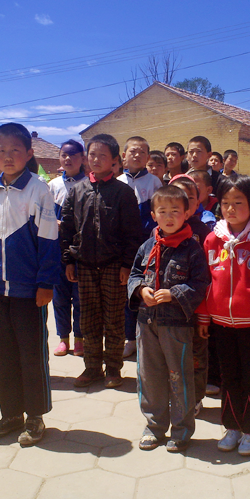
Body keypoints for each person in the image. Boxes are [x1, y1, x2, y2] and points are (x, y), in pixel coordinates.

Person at [0, 123, 62, 447]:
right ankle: (10, 414)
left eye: (15, 151)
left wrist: (46, 283)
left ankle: (35, 416)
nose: (8, 157)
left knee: (31, 356)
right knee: (2, 356)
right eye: (1, 151)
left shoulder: (39, 190)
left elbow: (49, 239)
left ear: (29, 153)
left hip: (28, 292)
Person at [197, 175, 250, 457]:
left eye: (238, 202)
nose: (231, 208)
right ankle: (231, 426)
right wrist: (203, 316)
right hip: (221, 322)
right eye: (225, 203)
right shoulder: (213, 239)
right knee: (228, 377)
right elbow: (205, 280)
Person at [128, 185, 211, 452]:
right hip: (146, 322)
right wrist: (141, 290)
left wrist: (175, 294)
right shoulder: (147, 246)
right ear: (153, 215)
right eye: (162, 211)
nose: (169, 216)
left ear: (186, 213)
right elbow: (134, 275)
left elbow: (201, 282)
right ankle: (154, 427)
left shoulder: (192, 249)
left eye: (175, 211)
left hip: (176, 326)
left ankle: (182, 429)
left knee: (179, 377)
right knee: (149, 376)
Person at [60, 133, 143, 389]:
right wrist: (69, 260)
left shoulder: (124, 192)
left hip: (113, 266)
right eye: (92, 155)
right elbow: (67, 228)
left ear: (115, 160)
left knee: (114, 319)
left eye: (102, 156)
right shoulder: (77, 191)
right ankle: (92, 367)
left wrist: (127, 265)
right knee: (88, 319)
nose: (96, 160)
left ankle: (114, 369)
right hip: (84, 265)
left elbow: (133, 234)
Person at [169, 174, 216, 414]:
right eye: (178, 195)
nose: (184, 201)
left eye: (190, 197)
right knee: (172, 356)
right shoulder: (161, 231)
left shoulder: (205, 232)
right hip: (169, 308)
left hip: (197, 307)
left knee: (196, 355)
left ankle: (196, 397)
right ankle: (175, 396)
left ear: (198, 202)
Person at [118, 136, 164, 359]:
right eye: (132, 151)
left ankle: (147, 339)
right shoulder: (118, 181)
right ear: (124, 156)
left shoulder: (154, 182)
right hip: (122, 248)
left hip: (147, 247)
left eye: (142, 152)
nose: (136, 155)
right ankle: (129, 338)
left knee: (146, 291)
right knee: (127, 293)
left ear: (147, 156)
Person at [47, 140, 87, 357]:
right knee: (60, 297)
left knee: (80, 297)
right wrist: (52, 222)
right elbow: (44, 214)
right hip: (57, 249)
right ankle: (63, 338)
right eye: (64, 155)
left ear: (83, 158)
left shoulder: (89, 184)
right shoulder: (53, 186)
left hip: (81, 250)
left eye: (73, 155)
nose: (68, 159)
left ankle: (80, 338)